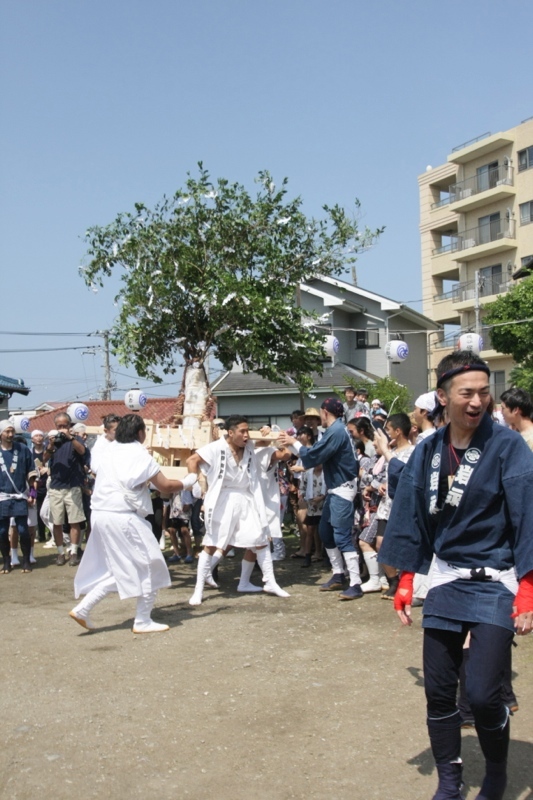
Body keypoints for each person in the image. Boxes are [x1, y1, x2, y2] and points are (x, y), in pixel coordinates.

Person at [379, 351, 533, 800]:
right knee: (440, 692)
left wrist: (527, 587)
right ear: (443, 397)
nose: (478, 402)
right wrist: (407, 579)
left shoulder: (507, 446)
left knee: (485, 694)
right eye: (467, 393)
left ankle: (497, 775)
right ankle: (450, 780)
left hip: (495, 578)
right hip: (446, 578)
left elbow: (527, 515)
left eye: (484, 393)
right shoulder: (428, 450)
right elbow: (409, 516)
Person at [70, 414, 196, 633]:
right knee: (151, 563)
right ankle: (142, 620)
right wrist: (188, 480)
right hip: (122, 516)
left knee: (122, 568)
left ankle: (83, 608)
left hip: (101, 515)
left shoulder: (108, 449)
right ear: (140, 433)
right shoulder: (139, 454)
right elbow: (164, 486)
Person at [186, 415, 290, 605]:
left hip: (247, 498)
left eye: (247, 430)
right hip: (223, 498)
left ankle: (270, 582)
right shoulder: (216, 447)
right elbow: (192, 460)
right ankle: (198, 589)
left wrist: (267, 431)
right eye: (242, 431)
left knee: (260, 539)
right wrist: (193, 481)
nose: (245, 435)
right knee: (211, 543)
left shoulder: (249, 446)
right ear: (230, 432)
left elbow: (268, 443)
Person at [279, 398, 361, 600]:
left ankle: (356, 582)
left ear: (325, 412)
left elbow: (315, 454)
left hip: (342, 489)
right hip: (336, 489)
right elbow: (316, 454)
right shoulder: (336, 430)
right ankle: (338, 574)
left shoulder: (336, 431)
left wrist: (294, 443)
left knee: (341, 536)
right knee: (326, 532)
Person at [43, 412, 87, 566]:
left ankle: (74, 551)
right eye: (59, 426)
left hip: (73, 485)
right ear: (55, 426)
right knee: (57, 522)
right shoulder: (52, 440)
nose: (62, 429)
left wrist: (70, 437)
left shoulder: (75, 439)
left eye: (65, 426)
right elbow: (44, 459)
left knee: (75, 520)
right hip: (56, 486)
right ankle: (60, 552)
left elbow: (82, 451)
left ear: (69, 426)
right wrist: (50, 445)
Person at [0, 420, 37, 573]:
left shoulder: (23, 449)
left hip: (20, 495)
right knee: (2, 531)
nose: (10, 435)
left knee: (23, 529)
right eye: (7, 432)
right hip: (2, 497)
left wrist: (32, 494)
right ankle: (7, 562)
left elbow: (32, 473)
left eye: (12, 431)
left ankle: (26, 560)